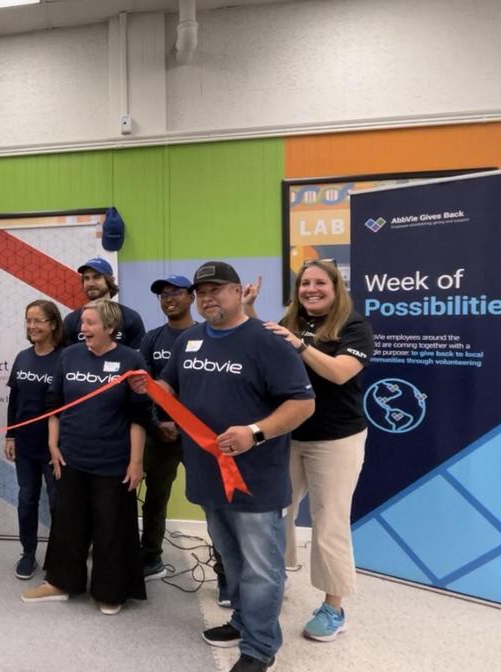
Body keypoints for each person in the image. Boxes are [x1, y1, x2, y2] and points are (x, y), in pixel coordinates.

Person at [134, 260, 315, 672]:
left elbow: (303, 403)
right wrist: (149, 386)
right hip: (207, 474)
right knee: (230, 560)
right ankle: (241, 620)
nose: (207, 298)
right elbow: (170, 386)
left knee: (260, 566)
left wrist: (255, 431)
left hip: (254, 478)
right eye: (201, 292)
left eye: (217, 289)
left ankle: (259, 646)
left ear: (238, 291)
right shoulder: (192, 340)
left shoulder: (267, 341)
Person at [266, 260, 374, 643]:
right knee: (278, 511)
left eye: (319, 282)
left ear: (336, 286)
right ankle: (274, 582)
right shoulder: (293, 321)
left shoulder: (354, 326)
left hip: (336, 438)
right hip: (291, 434)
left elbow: (340, 372)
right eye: (304, 283)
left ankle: (334, 608)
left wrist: (299, 345)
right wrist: (247, 313)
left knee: (329, 521)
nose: (311, 289)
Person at [21, 298, 151, 615]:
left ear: (110, 327)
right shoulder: (70, 356)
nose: (83, 329)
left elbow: (139, 416)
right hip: (72, 457)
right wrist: (53, 445)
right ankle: (61, 582)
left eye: (90, 323)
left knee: (111, 527)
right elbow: (55, 405)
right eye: (82, 323)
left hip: (113, 461)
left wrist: (136, 463)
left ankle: (111, 590)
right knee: (68, 523)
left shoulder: (131, 359)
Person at [138, 274, 197, 581]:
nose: (169, 299)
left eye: (175, 293)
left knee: (214, 502)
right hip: (161, 432)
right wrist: (156, 422)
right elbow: (144, 387)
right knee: (156, 497)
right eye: (162, 295)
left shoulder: (208, 335)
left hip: (202, 436)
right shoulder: (151, 339)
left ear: (192, 297)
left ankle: (226, 571)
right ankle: (151, 558)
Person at [4, 299, 65, 580]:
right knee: (27, 499)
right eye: (28, 320)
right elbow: (13, 399)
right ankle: (28, 553)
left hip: (56, 447)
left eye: (38, 320)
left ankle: (58, 555)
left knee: (57, 504)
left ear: (53, 324)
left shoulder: (66, 358)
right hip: (25, 445)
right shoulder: (22, 357)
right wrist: (10, 434)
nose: (32, 326)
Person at [61, 257, 145, 348]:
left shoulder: (130, 318)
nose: (90, 283)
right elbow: (66, 358)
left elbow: (137, 358)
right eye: (86, 278)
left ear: (110, 280)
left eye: (96, 277)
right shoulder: (71, 320)